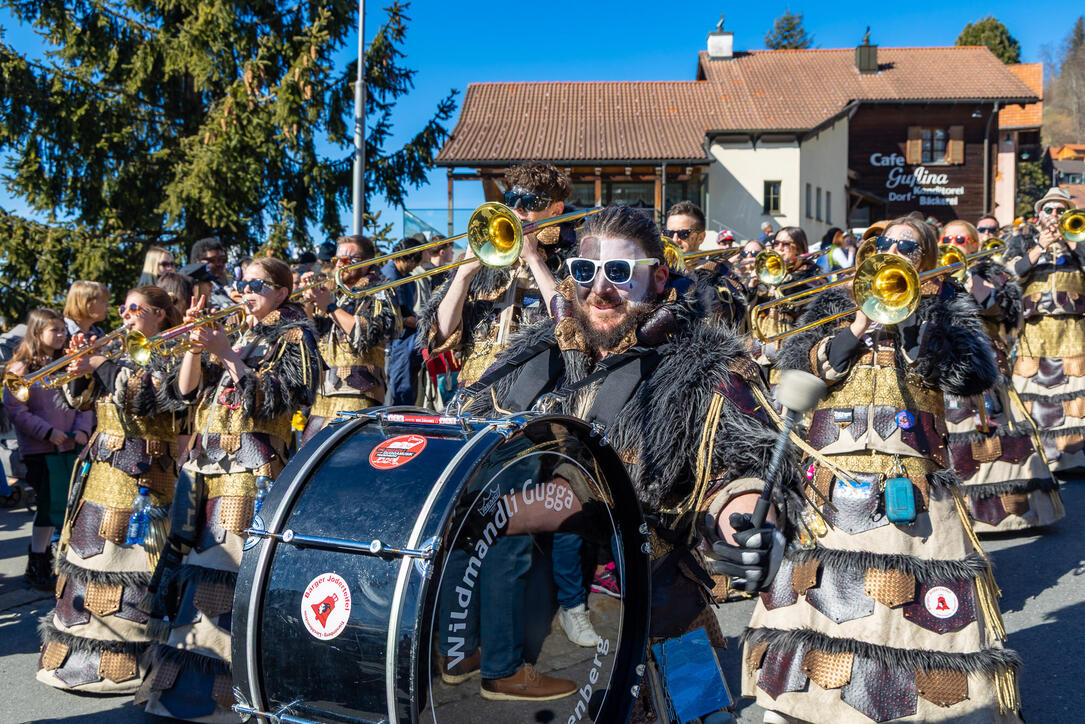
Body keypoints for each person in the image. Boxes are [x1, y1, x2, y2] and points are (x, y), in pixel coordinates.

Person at [456, 205, 798, 711]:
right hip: (547, 617)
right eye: (585, 272)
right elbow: (473, 441)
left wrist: (751, 525)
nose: (600, 289)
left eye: (620, 273)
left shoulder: (703, 366)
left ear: (658, 278)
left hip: (662, 605)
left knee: (698, 713)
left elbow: (742, 469)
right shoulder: (538, 352)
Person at [754, 217, 1021, 722]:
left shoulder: (944, 306)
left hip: (914, 471)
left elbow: (974, 376)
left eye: (910, 245)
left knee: (913, 591)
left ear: (928, 257)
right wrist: (858, 321)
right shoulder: (836, 299)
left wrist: (918, 325)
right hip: (833, 473)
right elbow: (796, 374)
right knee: (825, 589)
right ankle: (805, 704)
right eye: (887, 243)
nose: (896, 250)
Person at [139, 257, 319, 721]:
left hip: (250, 466)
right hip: (204, 464)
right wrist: (197, 349)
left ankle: (224, 698)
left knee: (224, 571)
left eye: (258, 284)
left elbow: (286, 396)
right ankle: (179, 689)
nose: (246, 290)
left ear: (281, 292)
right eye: (243, 282)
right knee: (193, 564)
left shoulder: (295, 334)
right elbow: (183, 395)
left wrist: (228, 355)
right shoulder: (236, 330)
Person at [37, 286, 184, 693]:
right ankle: (75, 662)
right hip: (100, 466)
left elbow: (147, 397)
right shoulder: (117, 351)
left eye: (135, 308)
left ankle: (128, 667)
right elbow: (79, 402)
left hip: (145, 471)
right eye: (124, 307)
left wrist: (101, 362)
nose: (126, 314)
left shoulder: (173, 352)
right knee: (90, 557)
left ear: (159, 314)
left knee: (133, 561)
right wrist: (80, 369)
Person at [938, 220, 1063, 532]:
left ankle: (1015, 514)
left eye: (962, 238)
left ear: (975, 244)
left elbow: (1005, 314)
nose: (956, 243)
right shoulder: (930, 277)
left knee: (999, 437)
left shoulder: (989, 274)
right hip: (948, 370)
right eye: (949, 238)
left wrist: (972, 280)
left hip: (987, 368)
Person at [421, 162, 577, 387]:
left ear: (556, 210)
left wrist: (534, 259)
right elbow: (441, 336)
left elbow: (570, 324)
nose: (519, 210)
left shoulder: (569, 257)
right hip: (473, 391)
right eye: (512, 200)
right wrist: (464, 273)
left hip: (532, 392)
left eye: (532, 202)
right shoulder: (488, 253)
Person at [2, 309, 94, 589]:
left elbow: (83, 397)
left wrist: (80, 430)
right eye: (54, 330)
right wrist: (49, 433)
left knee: (66, 505)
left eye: (62, 330)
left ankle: (60, 560)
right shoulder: (22, 368)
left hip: (70, 444)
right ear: (37, 333)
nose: (61, 334)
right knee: (46, 506)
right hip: (40, 448)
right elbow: (17, 409)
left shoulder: (67, 362)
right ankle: (37, 563)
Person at [1005, 187, 1085, 476]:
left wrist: (1075, 243)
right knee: (1032, 394)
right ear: (1039, 214)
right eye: (1049, 210)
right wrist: (1039, 246)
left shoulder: (1081, 240)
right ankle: (1038, 455)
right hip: (1034, 332)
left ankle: (1074, 458)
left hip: (1073, 330)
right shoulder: (1022, 241)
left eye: (1060, 210)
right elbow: (1013, 273)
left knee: (1075, 394)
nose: (1055, 215)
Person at [300, 235, 399, 443]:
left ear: (366, 262)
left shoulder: (378, 289)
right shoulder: (335, 290)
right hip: (323, 394)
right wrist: (309, 303)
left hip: (358, 393)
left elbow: (366, 335)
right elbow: (311, 337)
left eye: (347, 260)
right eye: (336, 260)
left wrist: (329, 306)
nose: (339, 265)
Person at [664, 201, 747, 329]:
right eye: (669, 233)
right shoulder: (659, 269)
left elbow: (735, 312)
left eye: (683, 234)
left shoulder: (717, 269)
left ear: (701, 237)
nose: (675, 240)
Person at [749, 227, 822, 371]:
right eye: (776, 244)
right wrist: (752, 288)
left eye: (786, 244)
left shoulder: (812, 278)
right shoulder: (768, 274)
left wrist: (786, 282)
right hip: (760, 354)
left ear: (799, 249)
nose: (779, 248)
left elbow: (806, 314)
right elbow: (749, 315)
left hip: (792, 355)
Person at [381, 236, 424, 405]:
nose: (416, 266)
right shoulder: (389, 276)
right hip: (397, 342)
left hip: (407, 339)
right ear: (406, 258)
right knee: (401, 391)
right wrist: (411, 320)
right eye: (415, 261)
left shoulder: (406, 277)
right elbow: (391, 314)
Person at [188, 237, 233, 309]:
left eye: (223, 259)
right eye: (214, 260)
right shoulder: (192, 291)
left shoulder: (230, 284)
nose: (220, 264)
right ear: (198, 262)